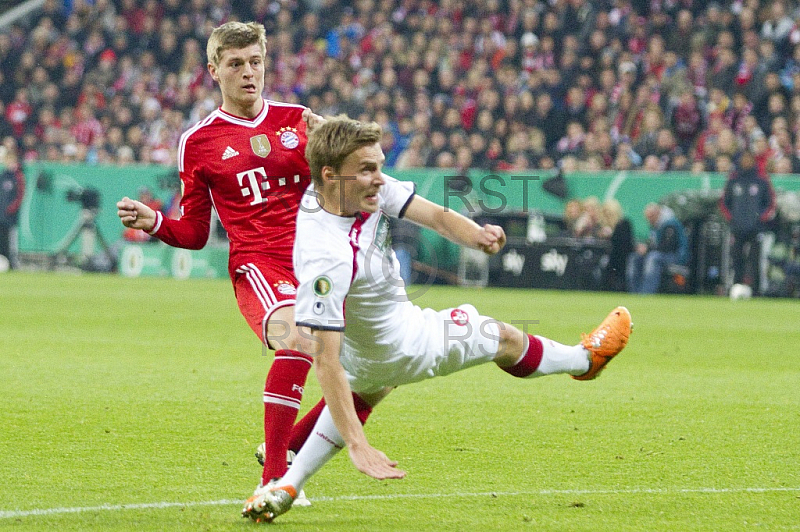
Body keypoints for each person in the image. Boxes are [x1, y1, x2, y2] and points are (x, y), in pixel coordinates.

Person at [241, 116, 633, 522]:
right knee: (503, 338)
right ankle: (585, 360)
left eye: (378, 165)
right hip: (406, 344)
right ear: (330, 174)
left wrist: (477, 235)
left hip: (369, 348)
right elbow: (323, 359)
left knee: (368, 386)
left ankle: (285, 484)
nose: (380, 178)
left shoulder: (344, 188)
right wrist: (358, 445)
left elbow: (433, 215)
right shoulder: (327, 255)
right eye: (368, 169)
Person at [116, 21, 326, 508]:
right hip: (259, 266)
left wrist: (328, 147)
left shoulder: (300, 120)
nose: (248, 73)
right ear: (214, 71)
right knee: (297, 339)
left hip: (319, 264)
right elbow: (193, 232)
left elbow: (341, 192)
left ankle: (290, 443)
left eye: (255, 62)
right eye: (236, 64)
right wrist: (154, 222)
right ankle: (274, 478)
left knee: (379, 372)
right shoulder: (199, 141)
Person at [719, 151, 776, 293]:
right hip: (737, 228)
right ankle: (736, 287)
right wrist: (732, 219)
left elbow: (770, 203)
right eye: (744, 159)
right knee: (736, 259)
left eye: (749, 159)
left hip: (755, 228)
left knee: (755, 260)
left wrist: (760, 218)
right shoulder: (733, 181)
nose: (746, 162)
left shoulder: (761, 181)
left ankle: (756, 290)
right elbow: (724, 203)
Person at [626, 202, 689, 294]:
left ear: (658, 213)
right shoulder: (655, 226)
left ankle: (647, 293)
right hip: (659, 254)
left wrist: (647, 249)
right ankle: (634, 292)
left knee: (653, 258)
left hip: (676, 256)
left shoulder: (670, 224)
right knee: (634, 257)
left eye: (651, 217)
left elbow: (668, 247)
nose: (649, 220)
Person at [0, 156, 25, 270]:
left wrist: (11, 208)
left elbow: (20, 195)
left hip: (10, 216)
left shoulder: (18, 176)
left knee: (12, 240)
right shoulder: (3, 176)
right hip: (1, 215)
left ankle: (13, 262)